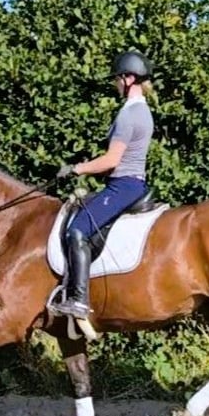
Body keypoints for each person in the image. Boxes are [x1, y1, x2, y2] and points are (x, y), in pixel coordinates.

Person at [51, 50, 155, 320]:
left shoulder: (129, 115)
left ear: (129, 78)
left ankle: (79, 300)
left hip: (124, 186)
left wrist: (76, 168)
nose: (116, 85)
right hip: (131, 184)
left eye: (118, 79)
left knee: (76, 231)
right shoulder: (142, 111)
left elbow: (111, 160)